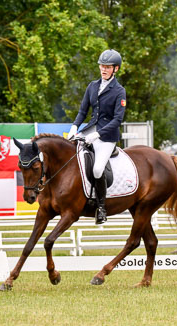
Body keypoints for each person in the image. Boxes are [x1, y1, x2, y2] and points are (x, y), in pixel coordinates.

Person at [67, 49, 127, 224]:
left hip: (107, 136)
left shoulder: (119, 91)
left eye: (107, 67)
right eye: (102, 66)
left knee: (98, 169)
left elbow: (117, 120)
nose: (103, 69)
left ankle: (101, 207)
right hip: (89, 130)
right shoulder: (92, 86)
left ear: (115, 69)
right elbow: (83, 111)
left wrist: (98, 134)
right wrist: (74, 127)